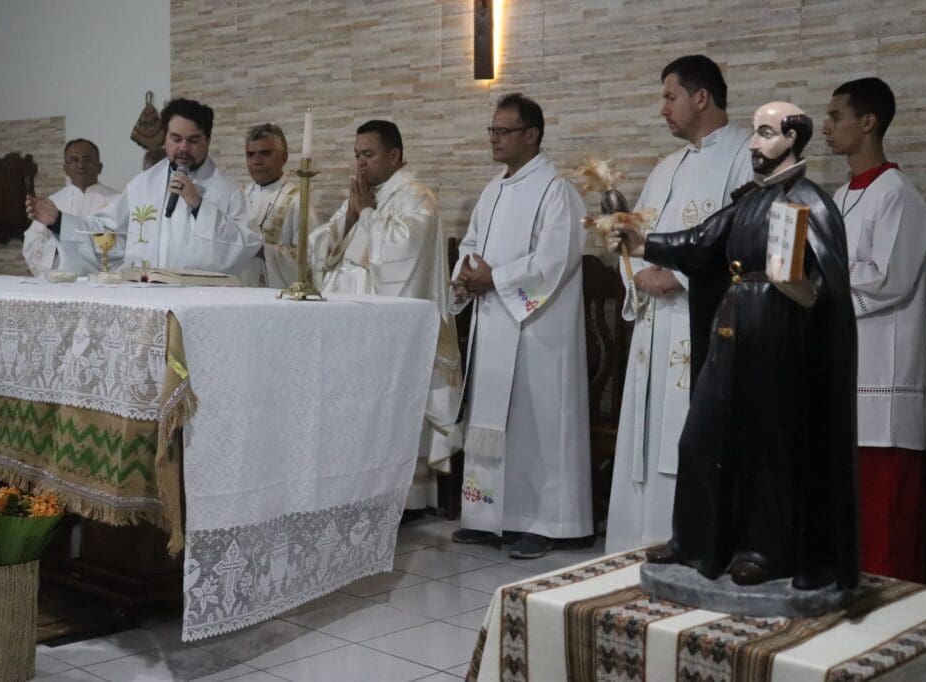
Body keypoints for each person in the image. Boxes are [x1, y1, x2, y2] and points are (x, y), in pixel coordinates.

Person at [606, 101, 858, 589]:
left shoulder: (807, 201)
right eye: (756, 133)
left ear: (792, 139)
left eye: (766, 133)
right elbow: (703, 241)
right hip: (732, 329)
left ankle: (765, 550)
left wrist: (800, 286)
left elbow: (822, 290)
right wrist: (641, 244)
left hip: (780, 339)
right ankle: (697, 538)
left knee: (769, 447)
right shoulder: (750, 200)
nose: (754, 143)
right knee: (701, 435)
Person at [606, 55, 753, 554]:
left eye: (670, 97)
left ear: (701, 97)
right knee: (649, 436)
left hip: (705, 325)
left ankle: (694, 542)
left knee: (692, 432)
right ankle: (637, 541)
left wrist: (682, 276)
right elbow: (636, 237)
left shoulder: (745, 156)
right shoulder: (667, 167)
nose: (663, 109)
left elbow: (747, 238)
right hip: (655, 328)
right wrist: (638, 272)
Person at [823, 77, 926, 582]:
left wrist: (819, 284)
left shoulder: (898, 195)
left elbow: (887, 279)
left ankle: (889, 615)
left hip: (885, 374)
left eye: (837, 116)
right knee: (847, 508)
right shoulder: (839, 196)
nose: (827, 127)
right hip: (844, 368)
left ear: (869, 121)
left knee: (884, 516)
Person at [450, 93, 591, 559]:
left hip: (537, 331)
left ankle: (544, 521)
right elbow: (471, 243)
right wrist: (466, 275)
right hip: (494, 322)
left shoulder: (556, 190)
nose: (494, 138)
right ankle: (490, 517)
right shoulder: (493, 190)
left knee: (537, 424)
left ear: (531, 135)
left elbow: (556, 260)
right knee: (494, 419)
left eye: (503, 130)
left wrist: (497, 278)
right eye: (491, 130)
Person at [309, 119, 461, 513]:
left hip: (388, 328)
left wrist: (367, 215)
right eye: (356, 154)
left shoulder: (417, 197)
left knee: (385, 405)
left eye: (369, 154)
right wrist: (350, 216)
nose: (360, 163)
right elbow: (320, 246)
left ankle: (403, 497)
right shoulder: (362, 196)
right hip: (348, 322)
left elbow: (403, 253)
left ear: (394, 155)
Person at [26, 98, 260, 275]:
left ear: (207, 140)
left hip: (197, 304)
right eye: (176, 138)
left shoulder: (227, 191)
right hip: (147, 296)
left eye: (194, 140)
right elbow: (108, 234)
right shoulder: (143, 184)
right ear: (165, 138)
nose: (184, 148)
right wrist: (58, 221)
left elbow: (246, 246)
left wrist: (200, 207)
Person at [22, 139, 121, 276]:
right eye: (73, 160)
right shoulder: (51, 203)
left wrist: (71, 240)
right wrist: (60, 245)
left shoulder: (118, 201)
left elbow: (124, 245)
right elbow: (32, 244)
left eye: (87, 159)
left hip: (103, 283)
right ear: (65, 168)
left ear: (100, 166)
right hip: (63, 283)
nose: (81, 165)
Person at [242, 123, 315, 288]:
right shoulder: (242, 196)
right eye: (250, 154)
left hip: (278, 295)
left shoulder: (298, 201)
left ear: (284, 157)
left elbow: (310, 261)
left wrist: (264, 251)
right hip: (243, 288)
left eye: (265, 153)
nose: (256, 161)